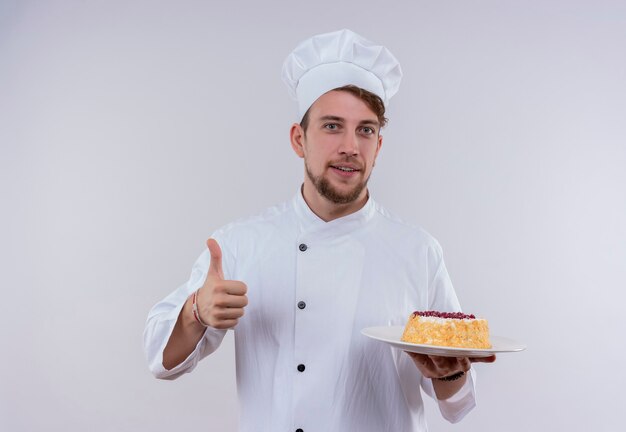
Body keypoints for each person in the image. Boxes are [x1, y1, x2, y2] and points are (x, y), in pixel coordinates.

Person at [143, 29, 495, 432]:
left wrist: (448, 373)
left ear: (378, 146)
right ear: (299, 139)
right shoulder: (240, 243)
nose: (350, 146)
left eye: (365, 130)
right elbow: (160, 360)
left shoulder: (419, 250)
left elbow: (456, 406)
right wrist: (196, 314)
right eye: (332, 126)